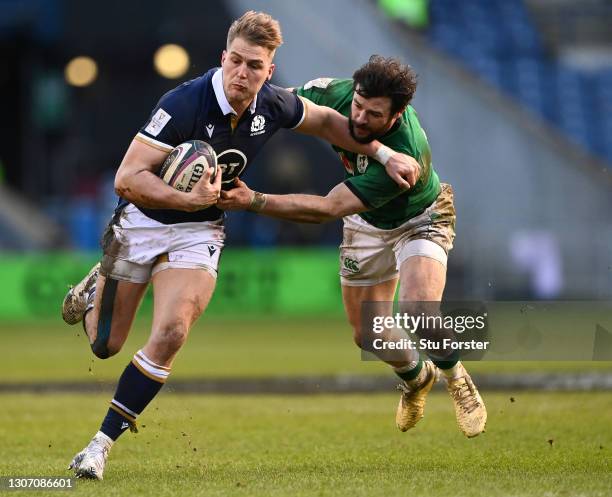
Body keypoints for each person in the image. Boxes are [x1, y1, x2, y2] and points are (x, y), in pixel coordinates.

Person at [62, 12, 422, 480]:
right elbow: (127, 178)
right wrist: (184, 197)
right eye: (236, 61)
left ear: (270, 71)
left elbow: (328, 122)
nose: (243, 73)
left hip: (201, 229)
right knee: (105, 345)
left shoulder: (271, 105)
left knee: (172, 332)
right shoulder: (184, 103)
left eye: (255, 65)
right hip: (144, 222)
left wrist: (382, 151)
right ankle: (97, 288)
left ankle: (99, 445)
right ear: (223, 58)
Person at [218, 55, 487, 438]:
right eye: (359, 106)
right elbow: (275, 105)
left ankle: (456, 376)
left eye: (374, 114)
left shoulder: (407, 154)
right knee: (369, 333)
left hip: (419, 218)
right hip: (366, 222)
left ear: (398, 114)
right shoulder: (335, 93)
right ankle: (416, 377)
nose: (360, 118)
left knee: (418, 312)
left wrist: (254, 200)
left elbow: (327, 208)